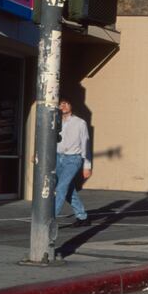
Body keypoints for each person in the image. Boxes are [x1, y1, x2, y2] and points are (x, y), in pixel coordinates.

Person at [54, 98, 92, 234]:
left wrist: (87, 165)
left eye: (66, 103)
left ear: (71, 105)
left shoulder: (80, 123)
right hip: (58, 158)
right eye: (61, 103)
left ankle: (49, 219)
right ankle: (82, 216)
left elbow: (85, 144)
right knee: (68, 189)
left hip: (73, 159)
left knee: (61, 188)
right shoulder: (55, 121)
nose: (63, 105)